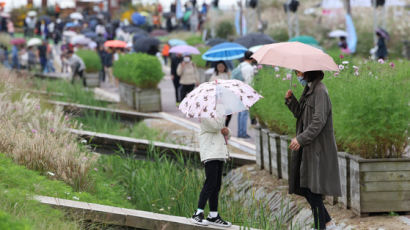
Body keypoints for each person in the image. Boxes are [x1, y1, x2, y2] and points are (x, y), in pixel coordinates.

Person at [285, 70, 341, 230]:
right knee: (305, 187)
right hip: (308, 147)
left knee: (312, 188)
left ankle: (321, 226)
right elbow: (301, 115)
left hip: (317, 148)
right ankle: (328, 223)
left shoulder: (320, 91)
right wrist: (290, 100)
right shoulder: (309, 89)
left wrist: (300, 139)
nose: (298, 75)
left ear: (309, 71)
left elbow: (319, 121)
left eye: (299, 72)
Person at [191, 104, 232, 228]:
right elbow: (216, 126)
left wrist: (227, 131)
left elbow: (223, 132)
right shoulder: (205, 114)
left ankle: (213, 215)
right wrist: (221, 111)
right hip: (210, 153)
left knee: (216, 185)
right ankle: (198, 213)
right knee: (210, 183)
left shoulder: (215, 114)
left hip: (219, 153)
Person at [236, 51, 256, 138]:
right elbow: (249, 82)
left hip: (238, 91)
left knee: (240, 113)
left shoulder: (240, 65)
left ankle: (240, 132)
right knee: (244, 113)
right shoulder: (249, 68)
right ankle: (242, 133)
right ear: (251, 58)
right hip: (245, 92)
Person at [209, 61, 231, 127]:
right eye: (219, 67)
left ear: (225, 67)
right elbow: (210, 87)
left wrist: (229, 76)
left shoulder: (228, 75)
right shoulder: (214, 76)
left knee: (229, 114)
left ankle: (226, 127)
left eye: (222, 66)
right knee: (221, 114)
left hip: (227, 98)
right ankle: (221, 128)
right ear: (216, 67)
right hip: (218, 99)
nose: (221, 68)